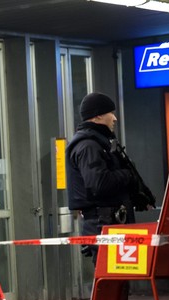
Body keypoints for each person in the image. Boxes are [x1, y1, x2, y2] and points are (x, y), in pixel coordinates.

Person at [66, 92, 141, 263]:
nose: (114, 118)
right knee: (110, 282)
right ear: (98, 115)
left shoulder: (97, 143)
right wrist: (127, 174)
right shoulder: (89, 146)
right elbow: (99, 183)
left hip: (110, 222)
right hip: (103, 224)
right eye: (111, 113)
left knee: (118, 281)